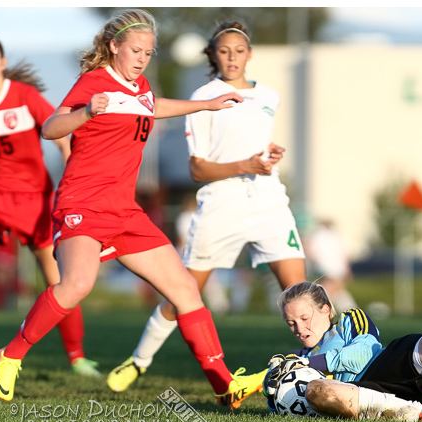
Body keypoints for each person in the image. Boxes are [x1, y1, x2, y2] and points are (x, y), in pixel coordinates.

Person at [0, 9, 265, 409]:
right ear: (114, 46)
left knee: (186, 290)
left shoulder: (140, 87)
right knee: (77, 285)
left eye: (149, 53)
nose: (141, 58)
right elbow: (51, 127)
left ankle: (224, 385)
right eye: (135, 50)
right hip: (82, 202)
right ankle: (11, 354)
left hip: (124, 211)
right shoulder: (94, 82)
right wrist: (86, 113)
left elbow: (151, 105)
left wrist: (206, 106)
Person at [107, 20, 306, 400]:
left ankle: (324, 373)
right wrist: (245, 164)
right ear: (213, 55)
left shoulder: (269, 95)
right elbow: (197, 168)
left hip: (268, 201)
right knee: (183, 294)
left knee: (300, 293)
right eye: (224, 50)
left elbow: (256, 145)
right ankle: (139, 359)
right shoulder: (204, 97)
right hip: (221, 205)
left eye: (239, 50)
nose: (232, 57)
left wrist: (269, 155)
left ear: (250, 54)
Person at [0, 34, 99, 377]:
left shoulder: (24, 96)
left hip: (33, 200)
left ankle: (76, 357)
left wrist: (70, 178)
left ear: (2, 63)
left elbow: (60, 133)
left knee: (60, 279)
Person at [263, 281, 422, 422]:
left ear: (326, 309)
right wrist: (269, 386)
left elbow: (360, 355)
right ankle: (421, 415)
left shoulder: (349, 320)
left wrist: (310, 362)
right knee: (319, 391)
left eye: (305, 318)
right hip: (360, 399)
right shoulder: (294, 358)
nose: (300, 328)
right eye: (291, 323)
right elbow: (285, 402)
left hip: (383, 370)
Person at [306, 219, 357, 311]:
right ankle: (320, 306)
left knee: (335, 289)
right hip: (329, 266)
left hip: (330, 266)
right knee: (331, 287)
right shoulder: (323, 236)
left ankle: (344, 307)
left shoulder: (328, 235)